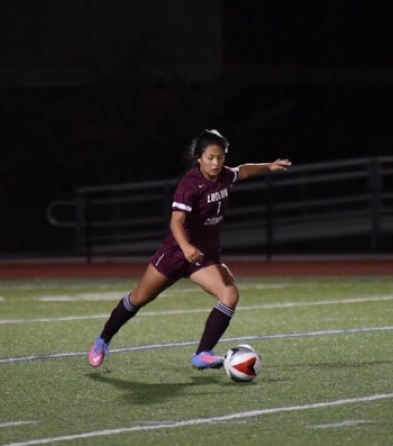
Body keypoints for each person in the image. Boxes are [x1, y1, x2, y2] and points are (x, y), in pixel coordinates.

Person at [88, 129, 292, 370]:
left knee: (230, 295)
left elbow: (243, 170)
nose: (216, 163)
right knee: (139, 298)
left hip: (204, 257)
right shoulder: (190, 183)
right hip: (175, 253)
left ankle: (202, 353)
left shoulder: (225, 175)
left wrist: (269, 166)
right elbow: (176, 222)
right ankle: (103, 339)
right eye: (210, 158)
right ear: (199, 157)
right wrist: (185, 248)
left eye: (220, 157)